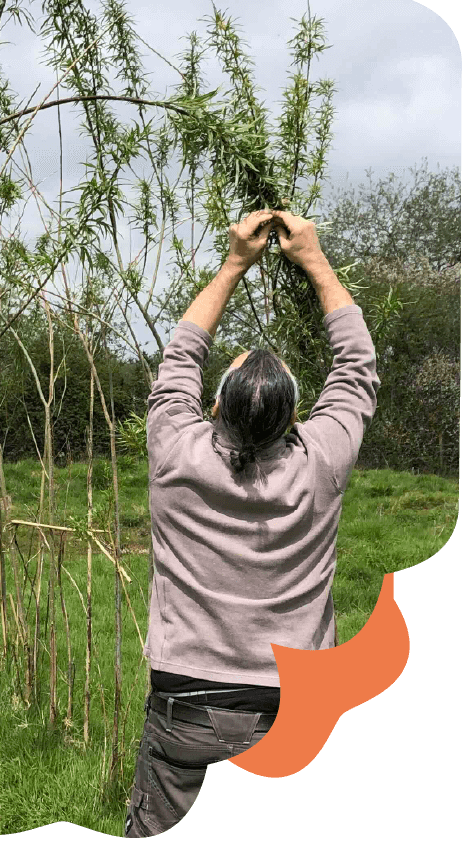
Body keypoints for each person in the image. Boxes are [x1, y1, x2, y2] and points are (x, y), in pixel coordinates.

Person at [123, 209, 380, 837]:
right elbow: (356, 367)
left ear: (213, 406)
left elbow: (180, 353)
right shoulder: (321, 461)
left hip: (188, 704)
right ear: (297, 418)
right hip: (294, 711)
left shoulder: (177, 451)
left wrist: (235, 261)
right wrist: (315, 259)